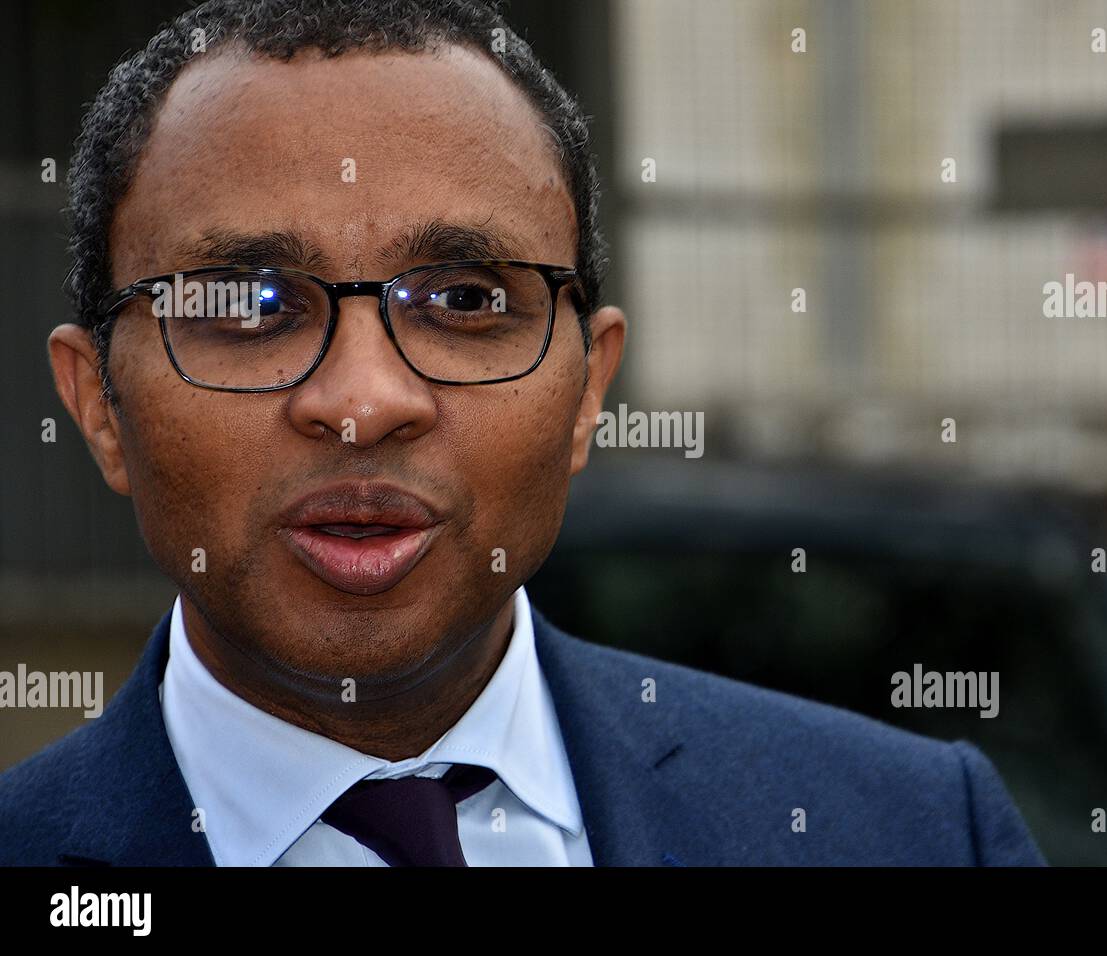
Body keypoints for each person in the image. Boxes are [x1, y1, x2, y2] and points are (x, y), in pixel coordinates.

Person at [0, 0, 1045, 867]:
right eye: (247, 306)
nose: (363, 401)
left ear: (590, 388)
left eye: (460, 299)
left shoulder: (910, 831)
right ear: (99, 405)